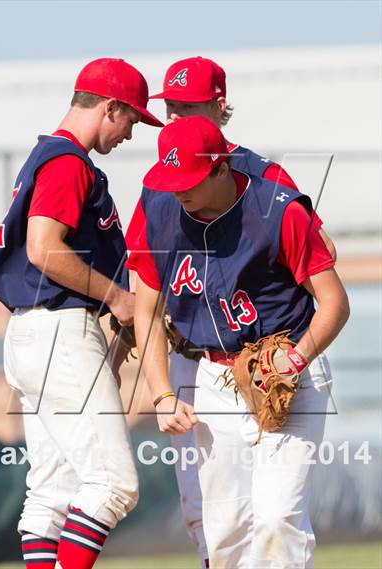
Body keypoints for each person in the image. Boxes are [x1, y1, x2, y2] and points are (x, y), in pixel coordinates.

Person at [125, 56, 336, 568]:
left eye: (189, 107)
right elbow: (145, 301)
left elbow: (327, 282)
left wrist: (295, 357)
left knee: (276, 518)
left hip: (278, 359)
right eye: (170, 110)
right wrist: (161, 390)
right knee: (216, 528)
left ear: (220, 108)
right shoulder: (160, 193)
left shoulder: (268, 188)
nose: (178, 119)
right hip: (201, 365)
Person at [0, 58, 162, 569]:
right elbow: (45, 250)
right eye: (131, 118)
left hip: (32, 333)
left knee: (53, 488)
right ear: (109, 107)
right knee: (114, 483)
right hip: (58, 332)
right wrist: (119, 299)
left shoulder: (49, 157)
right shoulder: (67, 162)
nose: (131, 133)